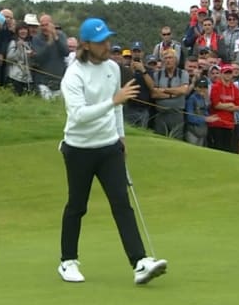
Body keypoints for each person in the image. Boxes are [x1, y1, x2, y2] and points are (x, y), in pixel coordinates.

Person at [57, 17, 167, 286]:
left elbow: (118, 108)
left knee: (121, 204)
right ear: (86, 45)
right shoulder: (73, 75)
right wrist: (112, 101)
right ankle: (67, 260)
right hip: (79, 148)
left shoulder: (113, 68)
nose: (107, 45)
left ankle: (139, 262)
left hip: (109, 147)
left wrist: (121, 137)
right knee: (77, 205)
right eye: (101, 41)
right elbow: (80, 115)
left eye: (108, 39)